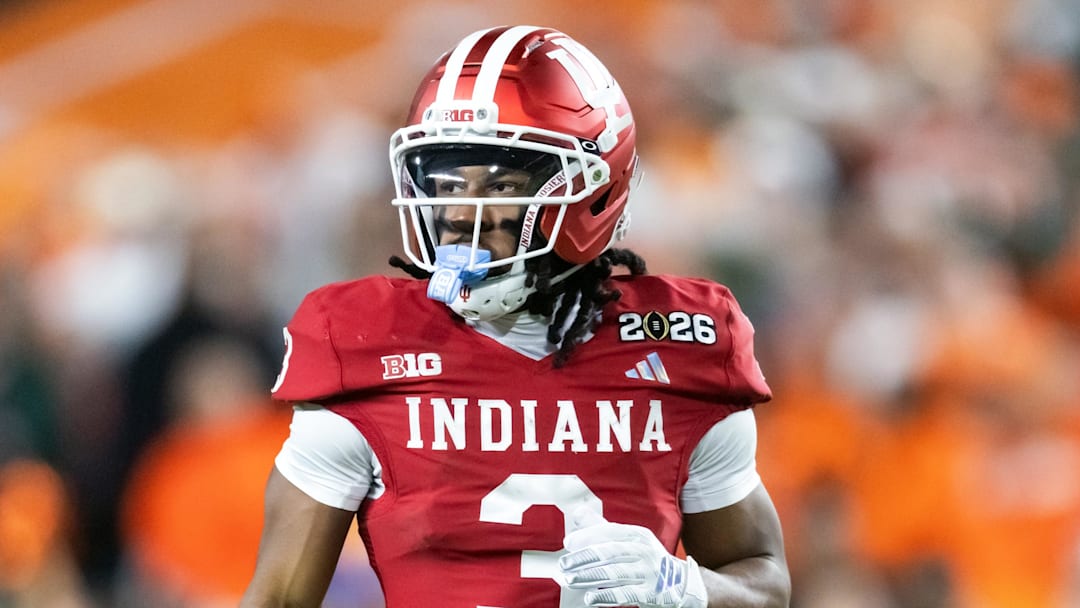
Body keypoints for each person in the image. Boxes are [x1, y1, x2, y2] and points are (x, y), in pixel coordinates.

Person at [242, 25, 790, 608]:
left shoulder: (679, 346)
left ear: (592, 192)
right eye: (447, 182)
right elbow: (278, 597)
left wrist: (689, 589)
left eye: (500, 184)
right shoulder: (364, 344)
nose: (459, 211)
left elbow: (763, 577)